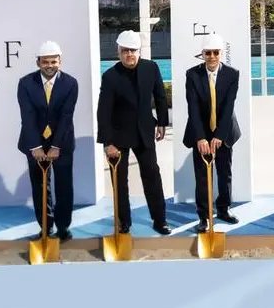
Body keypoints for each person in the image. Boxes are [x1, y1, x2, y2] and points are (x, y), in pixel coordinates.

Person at [96, 30, 171, 235]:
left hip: (144, 132)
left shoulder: (151, 68)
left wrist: (162, 122)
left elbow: (160, 96)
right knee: (119, 181)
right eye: (125, 50)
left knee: (152, 175)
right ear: (118, 52)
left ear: (139, 51)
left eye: (133, 50)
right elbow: (103, 111)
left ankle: (160, 220)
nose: (129, 54)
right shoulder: (110, 76)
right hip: (118, 136)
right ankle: (124, 222)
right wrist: (107, 142)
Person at [17, 41, 78, 242]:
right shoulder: (25, 83)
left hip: (62, 143)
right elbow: (27, 116)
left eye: (53, 61)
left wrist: (55, 146)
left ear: (60, 61)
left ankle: (63, 227)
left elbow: (66, 116)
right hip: (34, 143)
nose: (50, 66)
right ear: (38, 63)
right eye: (45, 62)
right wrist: (35, 146)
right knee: (40, 187)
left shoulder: (71, 83)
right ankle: (45, 227)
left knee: (64, 186)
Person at [184, 33, 241, 233]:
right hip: (200, 131)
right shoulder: (192, 75)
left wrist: (219, 136)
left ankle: (224, 209)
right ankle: (204, 216)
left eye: (216, 52)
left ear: (221, 53)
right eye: (208, 53)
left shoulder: (232, 74)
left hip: (224, 131)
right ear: (202, 54)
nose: (212, 57)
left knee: (224, 173)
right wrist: (200, 137)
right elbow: (193, 108)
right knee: (202, 177)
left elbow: (228, 107)